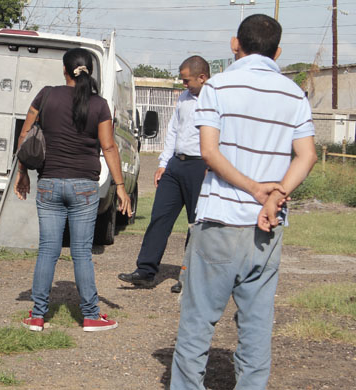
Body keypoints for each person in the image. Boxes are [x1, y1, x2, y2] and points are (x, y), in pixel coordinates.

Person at [170, 14, 317, 389]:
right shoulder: (294, 93)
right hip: (267, 228)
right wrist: (276, 195)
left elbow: (209, 152)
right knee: (256, 326)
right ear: (278, 51)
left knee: (198, 323)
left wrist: (253, 189)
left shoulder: (218, 86)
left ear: (236, 44)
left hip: (219, 219)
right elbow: (307, 155)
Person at [15, 48, 132, 332]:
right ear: (90, 71)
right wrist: (120, 187)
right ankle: (91, 316)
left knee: (48, 251)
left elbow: (25, 135)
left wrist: (22, 173)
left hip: (50, 182)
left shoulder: (46, 95)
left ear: (65, 70)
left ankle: (38, 316)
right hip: (84, 186)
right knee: (81, 252)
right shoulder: (99, 105)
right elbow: (109, 147)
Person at [118, 56, 210, 293]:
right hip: (176, 165)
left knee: (196, 224)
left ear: (202, 77)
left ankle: (190, 276)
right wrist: (163, 163)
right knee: (160, 217)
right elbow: (174, 131)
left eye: (187, 80)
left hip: (201, 166)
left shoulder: (217, 100)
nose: (183, 84)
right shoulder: (183, 98)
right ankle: (145, 270)